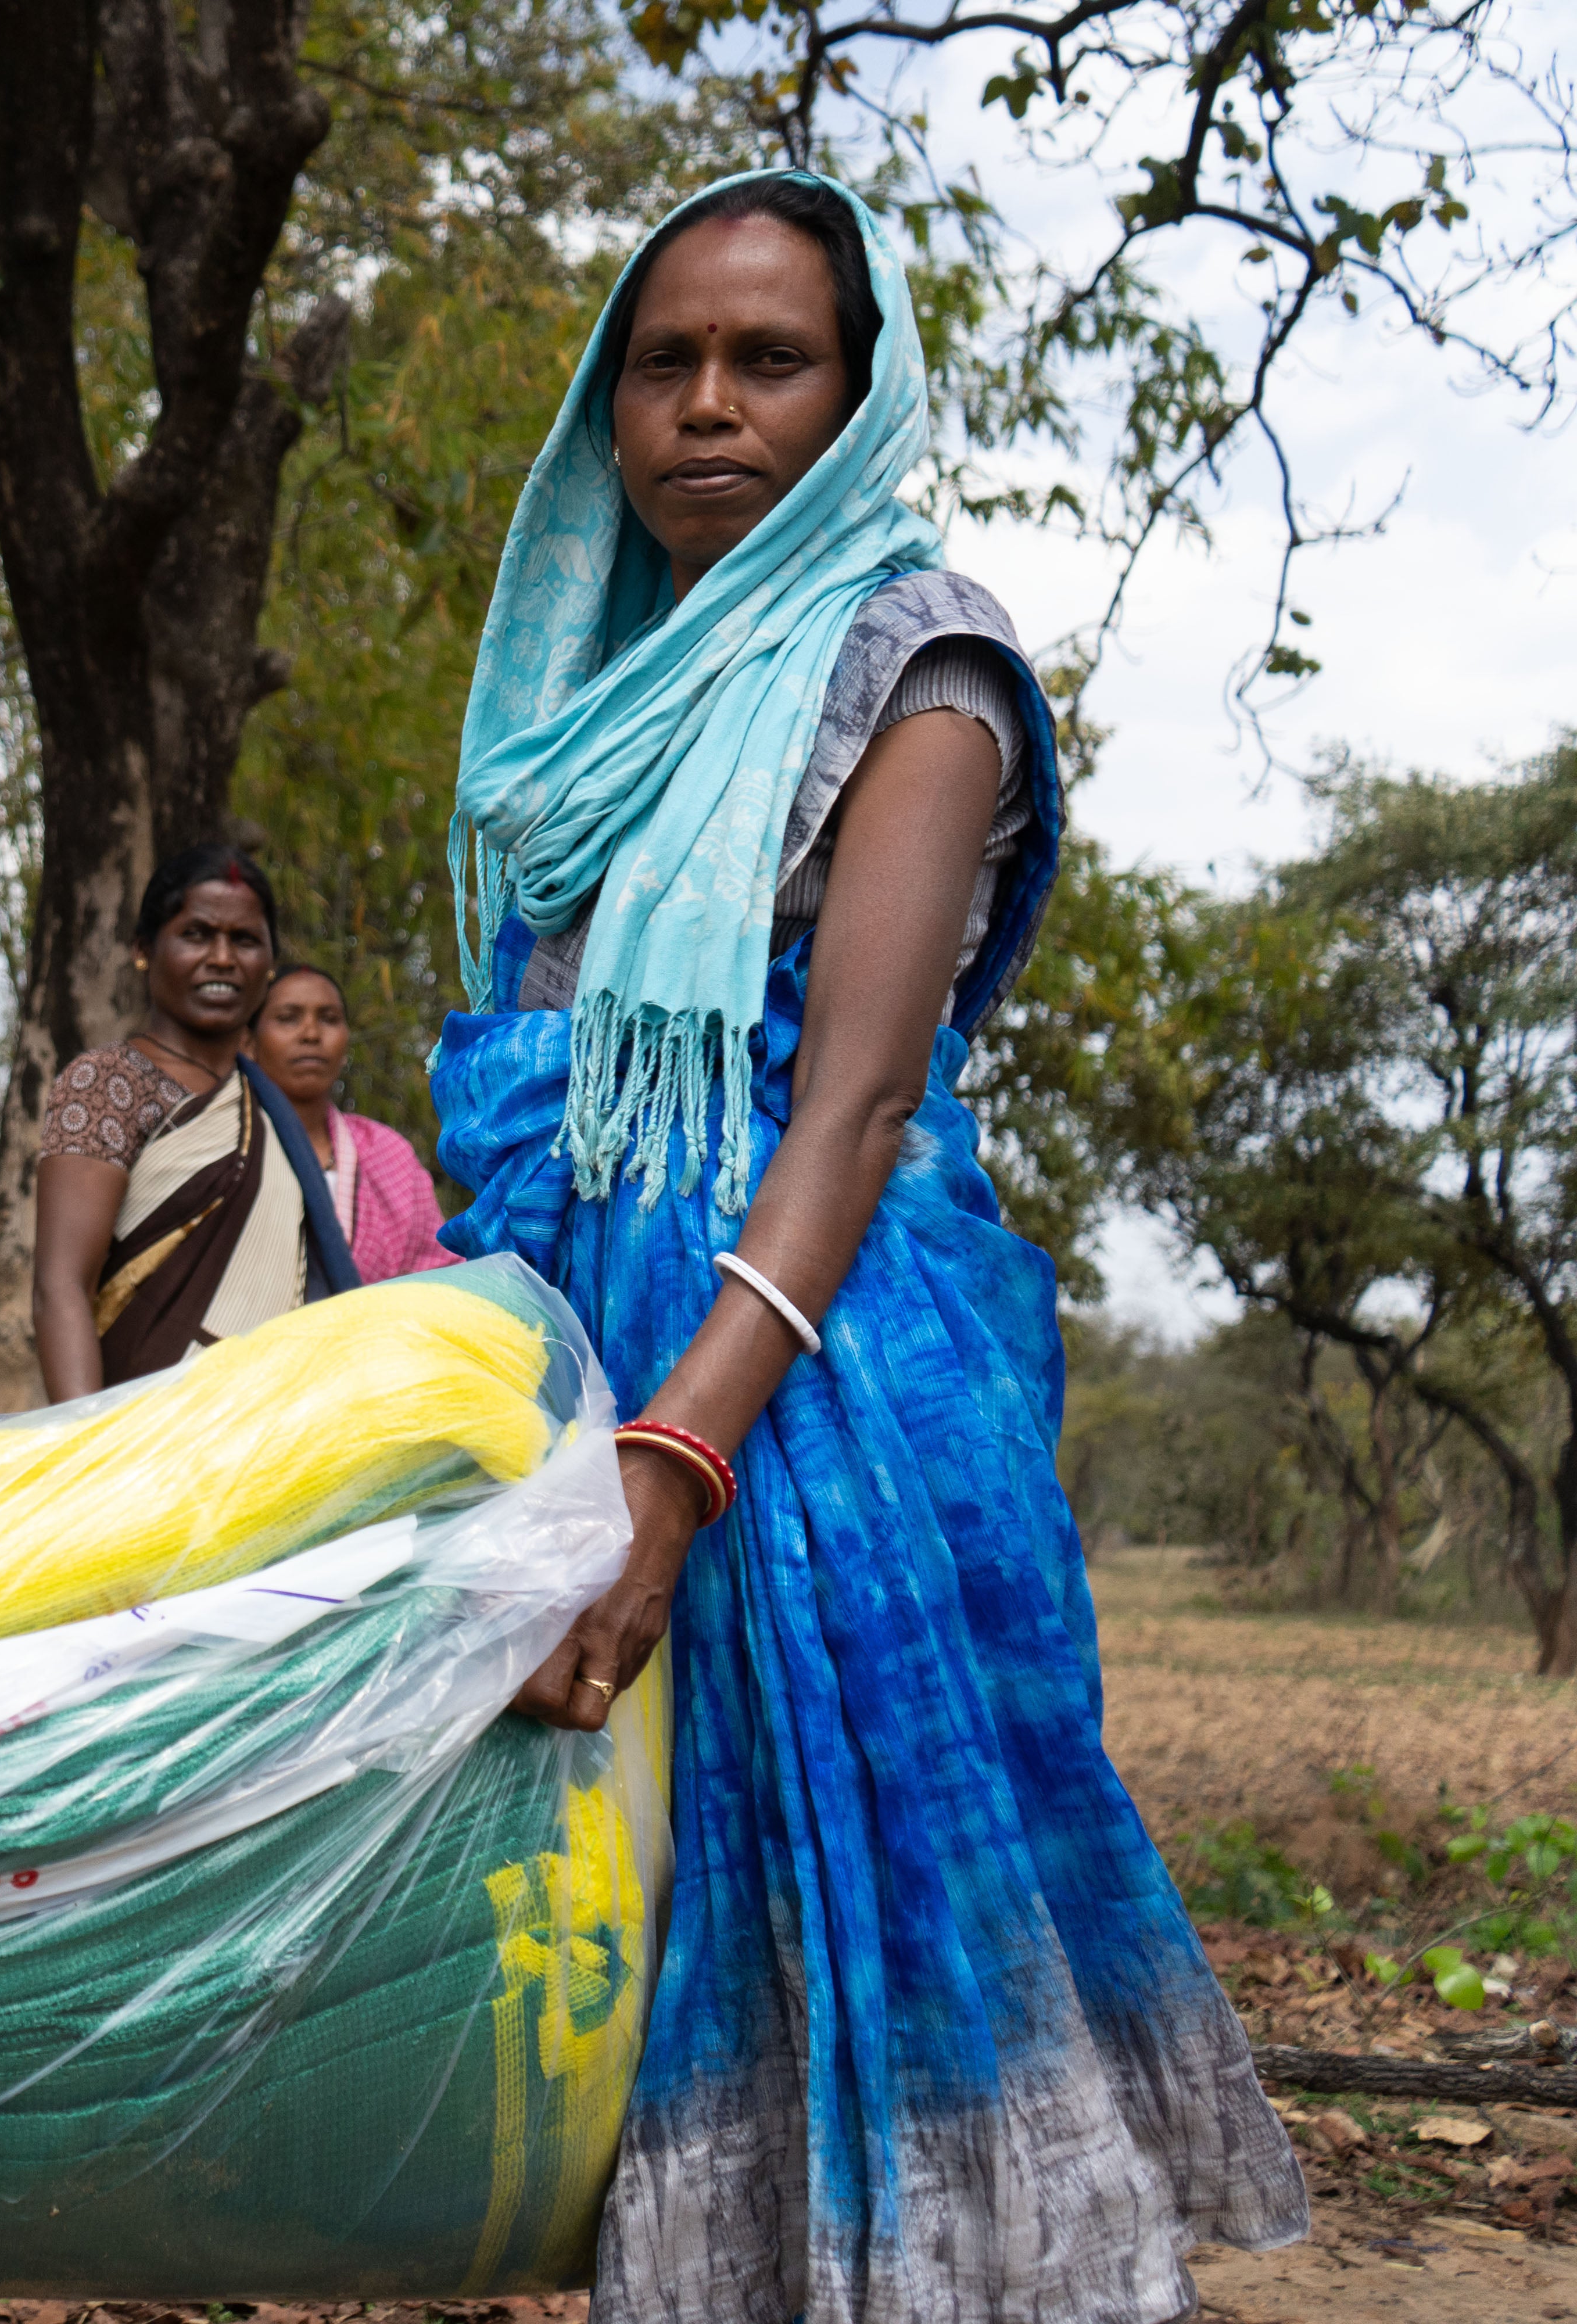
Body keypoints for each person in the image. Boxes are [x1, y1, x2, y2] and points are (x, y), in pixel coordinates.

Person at [428, 170, 1302, 2320]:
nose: (706, 405)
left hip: (811, 1402)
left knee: (874, 1929)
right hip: (580, 1355)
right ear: (606, 411)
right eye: (662, 363)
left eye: (768, 360)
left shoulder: (918, 662)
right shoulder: (581, 714)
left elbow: (851, 1104)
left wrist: (668, 1468)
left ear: (855, 395)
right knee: (646, 1929)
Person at [30, 841, 359, 1401]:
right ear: (144, 949)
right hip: (139, 1430)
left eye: (245, 940)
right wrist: (90, 1441)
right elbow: (61, 1287)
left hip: (274, 1428)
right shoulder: (109, 1083)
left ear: (270, 962)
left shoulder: (272, 1113)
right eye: (197, 935)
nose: (223, 958)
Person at [245, 964, 456, 1282]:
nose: (311, 1034)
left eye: (329, 1019)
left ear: (346, 1045)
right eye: (288, 1018)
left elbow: (438, 1279)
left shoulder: (387, 1153)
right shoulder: (226, 1146)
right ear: (248, 1043)